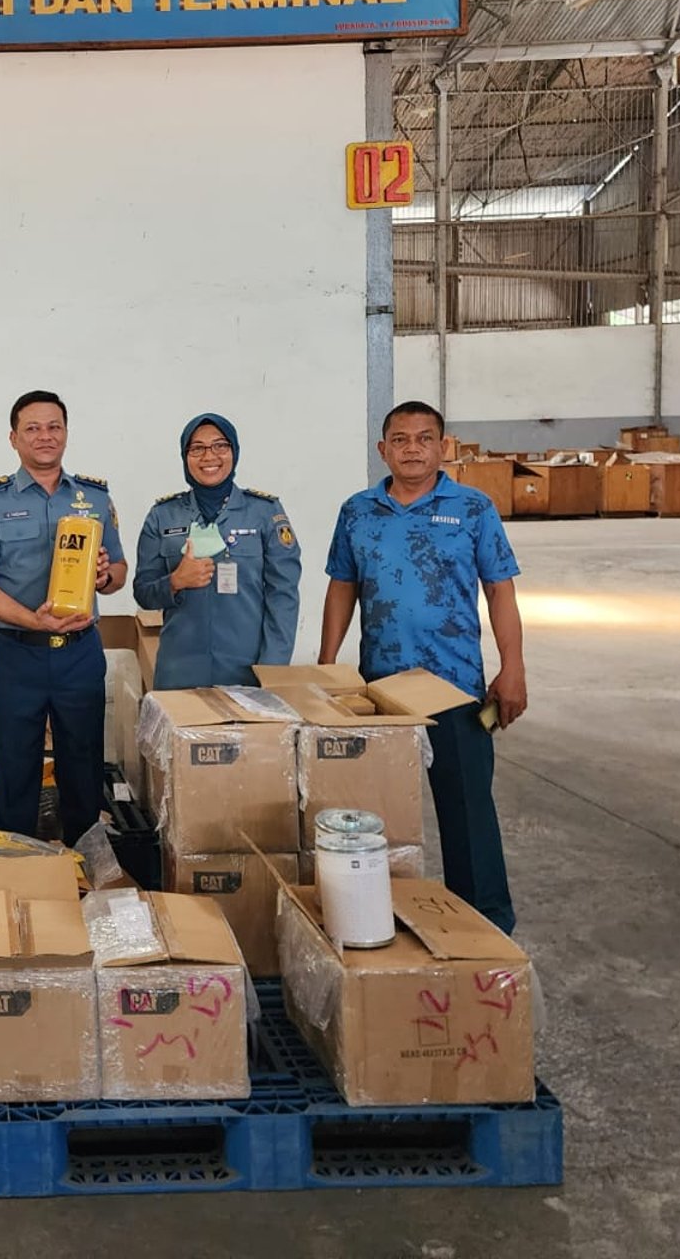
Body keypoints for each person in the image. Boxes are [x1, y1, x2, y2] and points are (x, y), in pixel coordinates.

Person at [318, 399, 527, 933]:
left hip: (455, 689)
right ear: (382, 449)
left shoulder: (474, 509)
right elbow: (342, 587)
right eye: (401, 439)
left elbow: (499, 590)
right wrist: (326, 665)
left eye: (424, 438)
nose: (412, 448)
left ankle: (487, 927)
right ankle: (374, 916)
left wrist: (513, 667)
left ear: (443, 447)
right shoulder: (358, 512)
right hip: (381, 691)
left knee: (468, 814)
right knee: (376, 817)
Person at [0, 390, 126, 847]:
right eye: (32, 428)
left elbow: (118, 577)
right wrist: (35, 623)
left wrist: (105, 573)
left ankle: (86, 868)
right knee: (15, 769)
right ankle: (20, 875)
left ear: (67, 433)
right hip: (19, 653)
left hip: (80, 653)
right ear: (14, 438)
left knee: (84, 764)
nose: (45, 436)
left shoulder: (94, 497)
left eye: (54, 426)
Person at [132, 413, 302, 687]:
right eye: (197, 448)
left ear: (234, 452)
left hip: (248, 673)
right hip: (179, 673)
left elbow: (283, 597)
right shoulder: (163, 516)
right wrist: (175, 582)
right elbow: (143, 592)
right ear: (185, 456)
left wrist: (272, 671)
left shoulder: (264, 512)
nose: (209, 456)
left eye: (220, 446)